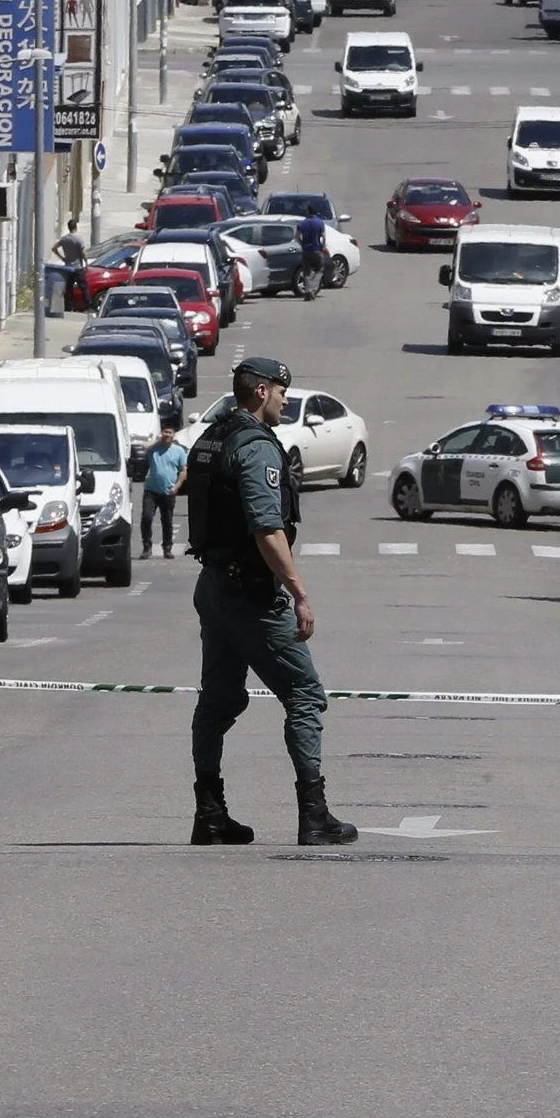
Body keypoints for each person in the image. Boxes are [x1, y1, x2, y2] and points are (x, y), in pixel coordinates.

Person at [180, 354, 355, 848]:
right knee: (304, 694)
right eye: (280, 390)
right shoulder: (255, 448)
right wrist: (299, 592)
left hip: (214, 587)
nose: (283, 398)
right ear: (261, 391)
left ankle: (209, 815)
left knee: (218, 701)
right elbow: (266, 528)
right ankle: (314, 815)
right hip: (251, 595)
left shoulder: (212, 436)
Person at [141, 422, 188, 557]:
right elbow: (143, 447)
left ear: (174, 435)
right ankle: (146, 546)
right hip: (151, 490)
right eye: (165, 432)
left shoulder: (178, 451)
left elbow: (183, 471)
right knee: (146, 517)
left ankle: (167, 547)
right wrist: (157, 440)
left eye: (170, 433)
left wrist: (177, 486)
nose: (167, 435)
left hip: (168, 491)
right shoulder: (154, 449)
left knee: (167, 520)